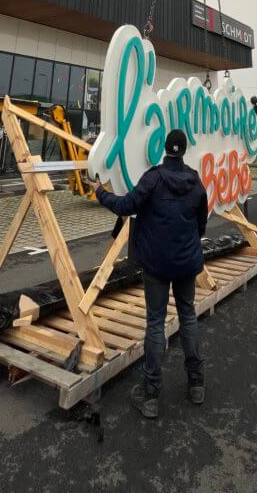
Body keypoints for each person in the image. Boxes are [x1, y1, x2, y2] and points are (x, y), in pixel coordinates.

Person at [95, 128, 208, 419]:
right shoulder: (195, 181)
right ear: (183, 150)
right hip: (186, 263)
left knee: (156, 324)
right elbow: (201, 225)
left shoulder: (153, 178)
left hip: (156, 266)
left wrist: (99, 193)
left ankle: (150, 395)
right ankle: (196, 383)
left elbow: (125, 206)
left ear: (164, 149)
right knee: (188, 316)